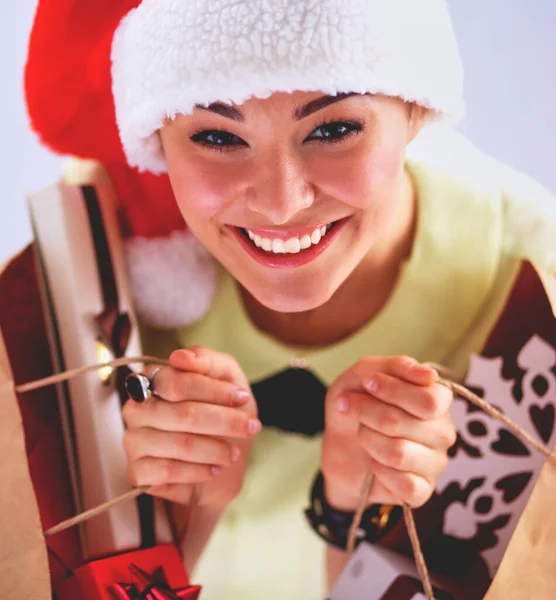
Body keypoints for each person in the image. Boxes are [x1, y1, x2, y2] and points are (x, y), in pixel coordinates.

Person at [22, 0, 556, 598]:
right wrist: (168, 534)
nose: (281, 203)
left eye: (332, 129)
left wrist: (357, 523)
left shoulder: (537, 300)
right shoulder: (91, 275)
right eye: (218, 135)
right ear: (158, 142)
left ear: (415, 110)